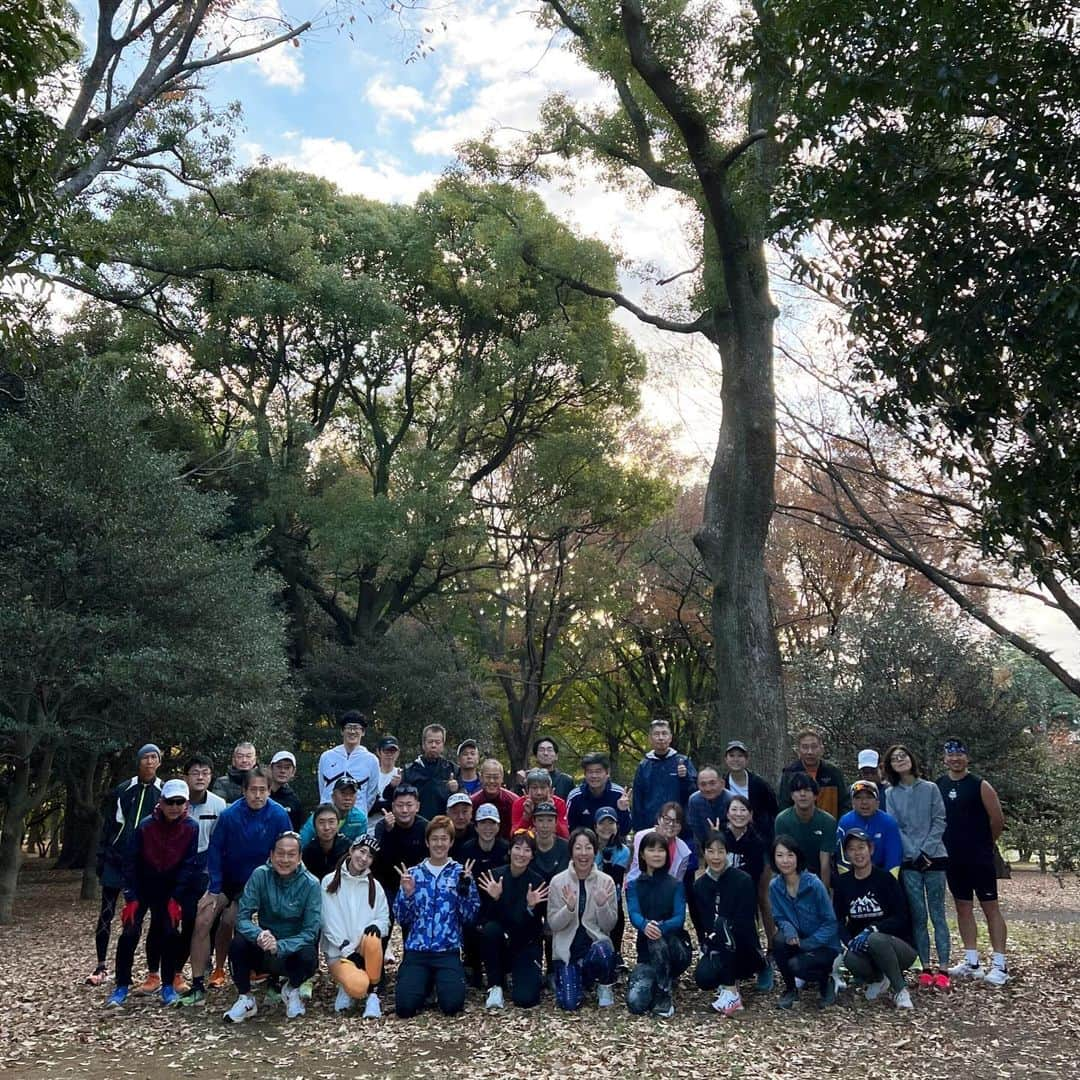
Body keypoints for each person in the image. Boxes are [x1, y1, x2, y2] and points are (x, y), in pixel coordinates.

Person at [178, 767, 291, 1006]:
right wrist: (215, 888)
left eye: (263, 790)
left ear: (269, 791)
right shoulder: (230, 815)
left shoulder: (279, 814)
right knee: (203, 918)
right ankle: (198, 983)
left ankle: (273, 978)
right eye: (253, 790)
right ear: (243, 791)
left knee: (267, 920)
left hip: (266, 880)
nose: (258, 795)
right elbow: (216, 850)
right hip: (230, 880)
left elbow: (288, 849)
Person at [105, 779, 202, 1008]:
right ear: (161, 802)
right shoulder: (146, 826)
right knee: (130, 933)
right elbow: (130, 861)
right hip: (142, 885)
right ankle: (121, 985)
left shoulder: (191, 827)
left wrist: (177, 897)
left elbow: (190, 863)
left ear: (186, 803)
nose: (175, 807)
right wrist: (131, 897)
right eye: (170, 802)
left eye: (180, 802)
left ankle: (168, 984)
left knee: (169, 933)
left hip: (170, 889)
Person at [87, 743, 163, 989]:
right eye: (145, 758)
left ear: (159, 762)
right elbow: (109, 825)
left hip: (145, 866)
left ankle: (148, 971)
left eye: (154, 758)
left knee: (137, 918)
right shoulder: (123, 789)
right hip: (116, 860)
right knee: (106, 913)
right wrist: (102, 856)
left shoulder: (164, 791)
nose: (149, 762)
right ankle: (100, 965)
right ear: (138, 761)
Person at [224, 831, 321, 1023]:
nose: (285, 859)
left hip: (292, 948)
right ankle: (246, 998)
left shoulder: (311, 884)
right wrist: (259, 934)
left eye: (291, 854)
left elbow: (310, 931)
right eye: (280, 853)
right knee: (238, 944)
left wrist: (281, 946)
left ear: (300, 857)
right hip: (264, 944)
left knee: (309, 955)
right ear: (271, 855)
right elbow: (242, 917)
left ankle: (292, 989)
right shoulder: (260, 875)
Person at [936, 738, 1009, 985]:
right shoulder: (940, 785)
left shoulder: (980, 785)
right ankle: (972, 961)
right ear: (945, 758)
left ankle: (1000, 965)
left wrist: (985, 844)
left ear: (967, 758)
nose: (955, 759)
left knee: (990, 908)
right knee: (963, 908)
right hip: (953, 859)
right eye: (950, 755)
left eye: (960, 755)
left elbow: (997, 819)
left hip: (980, 858)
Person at [393, 816, 480, 1017]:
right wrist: (408, 894)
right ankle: (423, 983)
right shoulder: (413, 874)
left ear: (450, 842)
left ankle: (439, 983)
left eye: (444, 839)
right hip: (417, 950)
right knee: (405, 1008)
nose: (439, 843)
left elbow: (469, 917)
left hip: (447, 950)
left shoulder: (460, 873)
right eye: (435, 839)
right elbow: (401, 918)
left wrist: (465, 891)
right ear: (427, 842)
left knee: (452, 1006)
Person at [883, 742, 950, 988]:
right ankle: (925, 966)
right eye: (894, 758)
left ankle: (943, 967)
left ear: (912, 759)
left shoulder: (931, 788)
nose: (900, 760)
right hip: (909, 861)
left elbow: (939, 820)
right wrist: (913, 853)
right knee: (918, 916)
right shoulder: (889, 793)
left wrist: (927, 851)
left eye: (903, 755)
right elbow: (894, 826)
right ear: (889, 765)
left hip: (935, 858)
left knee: (938, 914)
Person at [832, 828, 916, 1010]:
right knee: (850, 959)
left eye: (861, 847)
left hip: (898, 946)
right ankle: (878, 978)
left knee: (875, 938)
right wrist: (849, 941)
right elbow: (837, 919)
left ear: (870, 849)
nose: (857, 853)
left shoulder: (886, 880)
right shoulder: (843, 883)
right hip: (864, 950)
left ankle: (900, 989)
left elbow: (902, 917)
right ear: (846, 854)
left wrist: (875, 928)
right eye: (852, 849)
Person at [693, 830, 767, 1016]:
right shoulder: (700, 885)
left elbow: (746, 923)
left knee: (723, 925)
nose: (716, 857)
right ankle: (727, 988)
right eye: (711, 851)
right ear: (704, 853)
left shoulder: (742, 880)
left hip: (744, 948)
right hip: (717, 946)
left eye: (721, 851)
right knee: (703, 977)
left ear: (728, 853)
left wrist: (722, 930)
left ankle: (731, 993)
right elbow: (702, 923)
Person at [547, 828, 619, 1010]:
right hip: (567, 951)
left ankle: (604, 985)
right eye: (578, 848)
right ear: (571, 851)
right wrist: (569, 908)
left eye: (588, 848)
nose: (583, 853)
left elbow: (609, 925)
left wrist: (602, 905)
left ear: (595, 851)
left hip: (593, 947)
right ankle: (577, 978)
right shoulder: (557, 882)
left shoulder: (606, 881)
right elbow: (553, 924)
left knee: (604, 951)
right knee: (569, 1003)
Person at [477, 830, 550, 1009]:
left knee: (526, 999)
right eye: (517, 848)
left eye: (527, 850)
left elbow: (531, 925)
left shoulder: (537, 882)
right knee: (490, 930)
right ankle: (496, 984)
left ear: (532, 855)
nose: (521, 854)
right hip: (501, 942)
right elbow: (483, 919)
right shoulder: (494, 877)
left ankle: (522, 974)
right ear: (510, 851)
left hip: (526, 943)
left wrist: (530, 907)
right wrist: (495, 899)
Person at [768, 835, 842, 1008]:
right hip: (799, 939)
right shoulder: (775, 886)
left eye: (790, 855)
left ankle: (826, 981)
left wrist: (808, 943)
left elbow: (830, 923)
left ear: (797, 857)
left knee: (797, 965)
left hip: (824, 944)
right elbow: (779, 917)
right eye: (779, 855)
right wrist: (789, 931)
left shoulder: (814, 884)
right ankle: (790, 990)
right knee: (778, 940)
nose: (785, 860)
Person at [321, 834, 389, 1018]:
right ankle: (349, 986)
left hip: (364, 950)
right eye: (362, 851)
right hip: (339, 952)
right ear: (352, 850)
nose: (364, 858)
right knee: (358, 987)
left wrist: (376, 926)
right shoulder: (329, 882)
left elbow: (384, 919)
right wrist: (346, 949)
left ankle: (373, 995)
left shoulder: (375, 886)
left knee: (374, 939)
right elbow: (328, 920)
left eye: (370, 856)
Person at [174, 755, 228, 989]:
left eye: (205, 773)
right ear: (185, 776)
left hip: (206, 870)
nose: (200, 777)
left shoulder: (219, 804)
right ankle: (166, 973)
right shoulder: (174, 801)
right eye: (195, 772)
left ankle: (203, 969)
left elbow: (219, 842)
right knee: (170, 922)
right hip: (175, 868)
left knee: (201, 921)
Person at [626, 833, 692, 1018]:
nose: (656, 854)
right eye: (651, 849)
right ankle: (654, 980)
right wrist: (645, 925)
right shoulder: (633, 886)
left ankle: (664, 995)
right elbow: (634, 914)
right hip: (647, 955)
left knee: (656, 938)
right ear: (642, 854)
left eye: (661, 850)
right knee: (636, 1004)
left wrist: (658, 928)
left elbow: (679, 918)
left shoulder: (676, 885)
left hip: (676, 949)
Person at [371, 784, 428, 959]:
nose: (404, 810)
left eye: (409, 805)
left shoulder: (425, 827)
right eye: (399, 805)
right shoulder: (383, 826)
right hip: (387, 884)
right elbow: (377, 857)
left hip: (415, 886)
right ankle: (376, 974)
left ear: (417, 806)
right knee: (382, 926)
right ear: (392, 806)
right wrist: (388, 831)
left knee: (412, 928)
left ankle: (411, 966)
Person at [725, 794, 776, 944]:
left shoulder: (757, 842)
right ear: (727, 813)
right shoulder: (720, 837)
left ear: (750, 814)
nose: (738, 814)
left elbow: (754, 875)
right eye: (734, 809)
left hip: (746, 894)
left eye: (743, 810)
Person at [631, 720, 697, 835]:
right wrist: (639, 830)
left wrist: (685, 777)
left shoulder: (683, 762)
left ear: (670, 737)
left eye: (664, 733)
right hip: (651, 828)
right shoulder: (644, 766)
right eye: (656, 734)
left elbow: (694, 794)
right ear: (650, 738)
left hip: (679, 828)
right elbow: (637, 800)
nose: (661, 738)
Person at [773, 773, 835, 887]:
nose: (802, 794)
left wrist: (823, 892)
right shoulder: (782, 820)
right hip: (791, 874)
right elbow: (782, 857)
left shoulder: (827, 821)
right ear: (792, 795)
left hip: (817, 876)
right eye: (798, 790)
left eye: (807, 790)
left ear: (815, 795)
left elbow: (825, 862)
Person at [777, 730, 850, 820]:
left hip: (829, 826)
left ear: (821, 749)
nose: (810, 752)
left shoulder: (833, 772)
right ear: (798, 750)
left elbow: (845, 803)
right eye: (805, 747)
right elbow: (784, 805)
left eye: (814, 747)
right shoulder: (790, 773)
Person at [836, 781, 903, 876]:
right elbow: (842, 859)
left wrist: (887, 884)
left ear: (877, 802)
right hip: (853, 875)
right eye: (858, 798)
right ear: (852, 802)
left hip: (882, 875)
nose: (864, 802)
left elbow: (893, 859)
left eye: (869, 797)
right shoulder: (845, 822)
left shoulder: (889, 823)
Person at [317, 710, 381, 809]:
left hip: (356, 819)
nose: (352, 732)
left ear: (363, 732)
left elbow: (371, 794)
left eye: (356, 728)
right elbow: (322, 788)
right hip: (329, 818)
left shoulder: (372, 760)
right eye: (349, 727)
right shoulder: (326, 757)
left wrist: (360, 812)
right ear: (342, 731)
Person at [722, 740, 779, 841]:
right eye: (732, 755)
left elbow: (773, 809)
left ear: (747, 759)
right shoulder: (722, 785)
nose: (736, 759)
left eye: (740, 756)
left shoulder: (759, 784)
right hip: (730, 837)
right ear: (726, 759)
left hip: (759, 836)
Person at [594, 807, 631, 958]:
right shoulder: (589, 848)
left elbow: (615, 877)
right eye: (602, 823)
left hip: (612, 892)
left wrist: (606, 860)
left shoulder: (623, 851)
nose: (606, 827)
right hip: (591, 891)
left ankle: (616, 952)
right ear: (595, 826)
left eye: (611, 823)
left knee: (617, 913)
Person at [626, 802, 693, 885]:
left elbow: (678, 881)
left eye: (677, 821)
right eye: (667, 819)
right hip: (637, 885)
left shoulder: (684, 851)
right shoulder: (641, 836)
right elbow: (640, 868)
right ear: (659, 819)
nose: (671, 824)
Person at [402, 724, 459, 819]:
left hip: (444, 823)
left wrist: (455, 790)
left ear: (443, 745)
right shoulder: (410, 770)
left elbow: (462, 798)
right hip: (417, 823)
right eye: (430, 742)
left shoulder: (451, 769)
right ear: (423, 744)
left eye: (437, 742)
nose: (433, 745)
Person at [565, 753, 631, 834]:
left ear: (607, 773)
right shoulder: (575, 796)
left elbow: (625, 830)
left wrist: (623, 811)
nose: (594, 776)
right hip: (584, 843)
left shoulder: (619, 794)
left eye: (598, 771)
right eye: (590, 772)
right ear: (585, 774)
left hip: (613, 843)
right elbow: (567, 828)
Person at [299, 777, 367, 845]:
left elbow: (360, 847)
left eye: (351, 794)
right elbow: (303, 842)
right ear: (333, 796)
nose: (347, 798)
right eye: (343, 793)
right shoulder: (320, 816)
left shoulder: (360, 819)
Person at [687, 766, 734, 857]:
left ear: (722, 783)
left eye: (712, 783)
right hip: (707, 848)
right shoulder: (694, 801)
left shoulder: (732, 801)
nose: (708, 789)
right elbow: (697, 829)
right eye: (703, 784)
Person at [512, 768, 569, 838]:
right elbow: (513, 836)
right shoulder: (519, 803)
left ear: (550, 789)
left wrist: (552, 812)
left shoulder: (559, 803)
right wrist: (526, 816)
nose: (539, 792)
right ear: (527, 790)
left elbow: (565, 835)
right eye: (534, 788)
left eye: (543, 788)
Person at [470, 759, 518, 840]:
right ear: (481, 778)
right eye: (488, 777)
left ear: (502, 778)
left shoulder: (513, 801)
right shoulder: (472, 802)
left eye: (495, 777)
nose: (492, 781)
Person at [302, 804, 350, 880]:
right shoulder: (308, 852)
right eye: (321, 822)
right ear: (314, 826)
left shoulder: (348, 850)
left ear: (338, 825)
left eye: (331, 822)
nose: (326, 827)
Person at [268, 751, 305, 830]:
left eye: (287, 768)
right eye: (279, 766)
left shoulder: (294, 800)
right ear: (271, 768)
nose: (282, 771)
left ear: (293, 771)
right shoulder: (259, 793)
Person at [372, 735, 402, 816]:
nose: (389, 755)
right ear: (378, 752)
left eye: (392, 751)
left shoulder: (402, 775)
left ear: (398, 753)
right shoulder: (371, 774)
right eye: (386, 751)